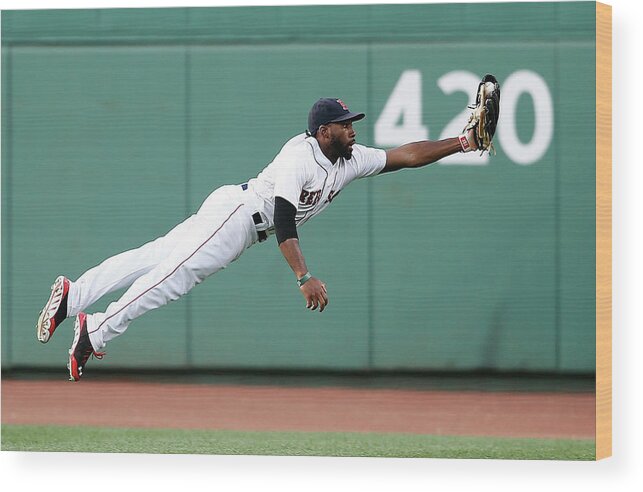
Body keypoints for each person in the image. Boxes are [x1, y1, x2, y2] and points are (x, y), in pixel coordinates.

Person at [36, 97, 483, 381]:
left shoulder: (350, 158)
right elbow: (285, 223)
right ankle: (94, 330)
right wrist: (303, 275)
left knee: (154, 257)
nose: (353, 129)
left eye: (352, 123)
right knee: (172, 274)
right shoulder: (299, 157)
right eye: (345, 124)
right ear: (323, 132)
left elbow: (405, 155)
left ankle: (74, 297)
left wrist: (461, 143)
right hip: (238, 217)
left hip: (238, 213)